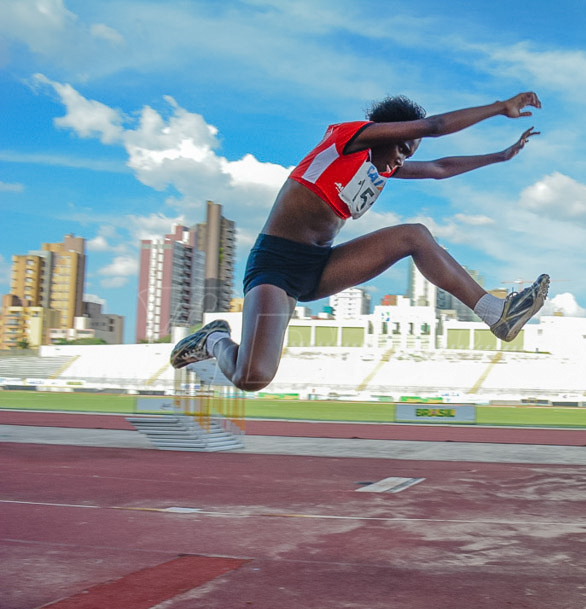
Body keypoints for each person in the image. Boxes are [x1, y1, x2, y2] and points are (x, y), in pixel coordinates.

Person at [170, 92, 549, 391]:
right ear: (388, 132)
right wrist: (501, 107)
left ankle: (495, 313)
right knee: (252, 377)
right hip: (277, 266)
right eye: (402, 146)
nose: (400, 160)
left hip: (321, 267)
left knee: (413, 236)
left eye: (407, 155)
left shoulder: (379, 169)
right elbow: (433, 126)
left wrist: (500, 156)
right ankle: (215, 339)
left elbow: (440, 168)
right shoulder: (346, 138)